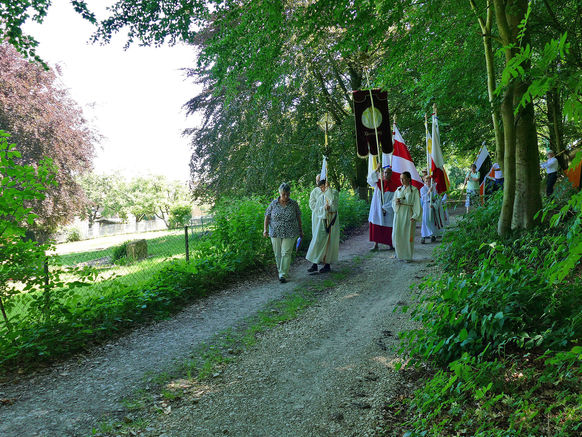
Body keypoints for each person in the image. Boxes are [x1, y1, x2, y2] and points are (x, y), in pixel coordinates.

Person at [264, 183, 303, 283]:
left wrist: (300, 230)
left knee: (286, 252)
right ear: (280, 193)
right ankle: (281, 270)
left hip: (291, 231)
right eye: (284, 194)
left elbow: (298, 217)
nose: (286, 196)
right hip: (275, 231)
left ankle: (282, 275)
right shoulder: (273, 203)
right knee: (277, 253)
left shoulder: (293, 204)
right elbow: (267, 216)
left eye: (288, 194)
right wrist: (265, 230)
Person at [306, 178, 339, 273]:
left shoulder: (333, 192)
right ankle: (314, 263)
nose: (321, 188)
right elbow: (313, 205)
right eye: (319, 185)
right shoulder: (316, 192)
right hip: (319, 219)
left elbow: (334, 205)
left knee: (329, 242)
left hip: (330, 220)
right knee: (317, 240)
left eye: (322, 186)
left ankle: (327, 264)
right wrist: (322, 208)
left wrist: (328, 207)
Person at [392, 171, 421, 262]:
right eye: (400, 178)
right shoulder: (398, 190)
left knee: (407, 235)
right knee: (398, 234)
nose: (402, 180)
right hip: (399, 213)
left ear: (408, 179)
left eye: (403, 178)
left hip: (408, 213)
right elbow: (393, 201)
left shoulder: (414, 190)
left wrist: (415, 215)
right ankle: (399, 254)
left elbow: (417, 204)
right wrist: (396, 202)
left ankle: (408, 256)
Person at [367, 163, 396, 250]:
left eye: (389, 173)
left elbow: (394, 200)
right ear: (383, 173)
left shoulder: (394, 186)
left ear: (391, 174)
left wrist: (385, 208)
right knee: (377, 225)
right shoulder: (378, 183)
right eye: (385, 173)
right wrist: (376, 169)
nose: (387, 174)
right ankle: (376, 245)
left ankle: (390, 244)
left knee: (388, 226)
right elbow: (370, 179)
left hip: (388, 210)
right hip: (377, 208)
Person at [420, 175, 437, 244]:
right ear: (424, 181)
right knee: (425, 220)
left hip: (432, 205)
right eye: (426, 181)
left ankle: (431, 235)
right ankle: (428, 234)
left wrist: (434, 202)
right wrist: (429, 192)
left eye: (429, 181)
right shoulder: (422, 188)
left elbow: (435, 196)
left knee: (431, 220)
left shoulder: (433, 188)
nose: (428, 182)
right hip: (426, 205)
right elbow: (423, 198)